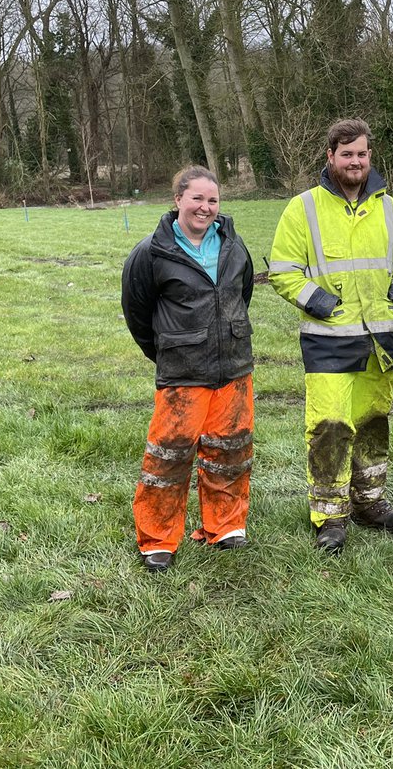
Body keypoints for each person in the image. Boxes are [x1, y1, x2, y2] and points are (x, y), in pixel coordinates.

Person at [269, 118, 393, 554]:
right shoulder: (304, 209)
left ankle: (370, 503)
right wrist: (320, 303)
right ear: (330, 157)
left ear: (370, 157)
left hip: (381, 340)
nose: (355, 161)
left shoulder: (391, 209)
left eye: (362, 154)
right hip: (329, 341)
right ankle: (330, 517)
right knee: (330, 427)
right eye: (347, 154)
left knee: (373, 423)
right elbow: (283, 270)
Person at [121, 167, 255, 571]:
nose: (205, 207)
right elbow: (137, 313)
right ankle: (158, 539)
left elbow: (241, 294)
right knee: (169, 458)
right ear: (177, 199)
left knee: (230, 451)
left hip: (233, 369)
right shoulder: (151, 252)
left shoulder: (233, 245)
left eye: (212, 200)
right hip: (183, 374)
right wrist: (169, 350)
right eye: (197, 198)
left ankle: (226, 526)